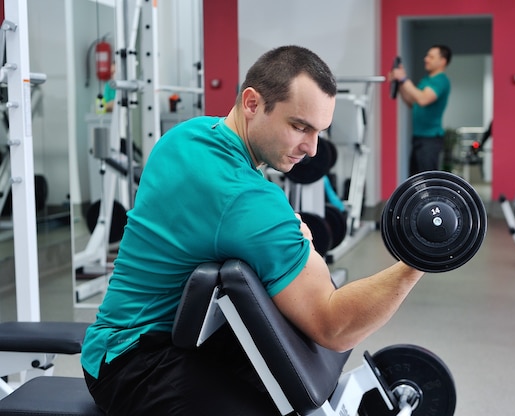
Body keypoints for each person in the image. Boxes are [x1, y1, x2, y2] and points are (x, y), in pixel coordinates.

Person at [81, 45, 425, 415]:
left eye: (319, 132)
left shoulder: (188, 136)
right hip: (134, 364)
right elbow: (334, 325)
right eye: (299, 126)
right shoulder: (245, 199)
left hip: (165, 339)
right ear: (251, 103)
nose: (311, 148)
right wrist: (417, 262)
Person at [389, 45, 452, 176]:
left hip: (430, 140)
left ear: (442, 61)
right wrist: (400, 84)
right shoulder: (426, 80)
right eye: (427, 56)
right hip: (419, 138)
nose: (426, 59)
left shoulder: (441, 80)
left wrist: (404, 79)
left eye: (431, 57)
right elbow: (412, 102)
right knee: (415, 182)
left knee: (427, 182)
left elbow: (423, 99)